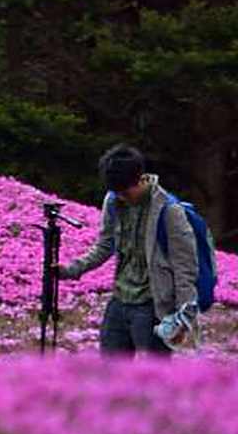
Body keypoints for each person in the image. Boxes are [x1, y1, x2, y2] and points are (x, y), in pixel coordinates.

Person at [57, 145, 199, 356]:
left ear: (141, 178)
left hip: (152, 306)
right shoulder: (113, 200)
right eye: (117, 193)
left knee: (154, 378)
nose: (121, 197)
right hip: (120, 300)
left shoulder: (169, 212)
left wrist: (183, 318)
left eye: (125, 192)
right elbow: (105, 246)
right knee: (111, 375)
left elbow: (185, 269)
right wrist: (71, 269)